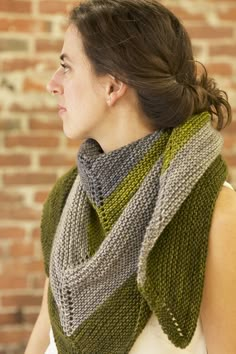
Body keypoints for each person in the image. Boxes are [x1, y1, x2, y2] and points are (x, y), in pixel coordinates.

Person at [24, 0, 236, 353]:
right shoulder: (70, 199)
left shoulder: (215, 214)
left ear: (112, 86)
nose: (52, 84)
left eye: (67, 67)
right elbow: (45, 339)